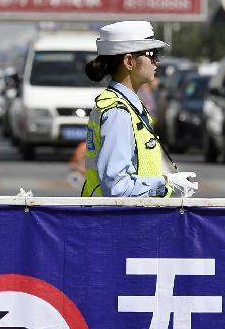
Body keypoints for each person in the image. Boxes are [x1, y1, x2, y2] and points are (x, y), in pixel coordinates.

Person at [81, 21, 198, 198]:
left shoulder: (125, 105)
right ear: (129, 61)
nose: (157, 61)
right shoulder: (118, 113)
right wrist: (165, 181)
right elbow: (117, 188)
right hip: (120, 222)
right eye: (152, 54)